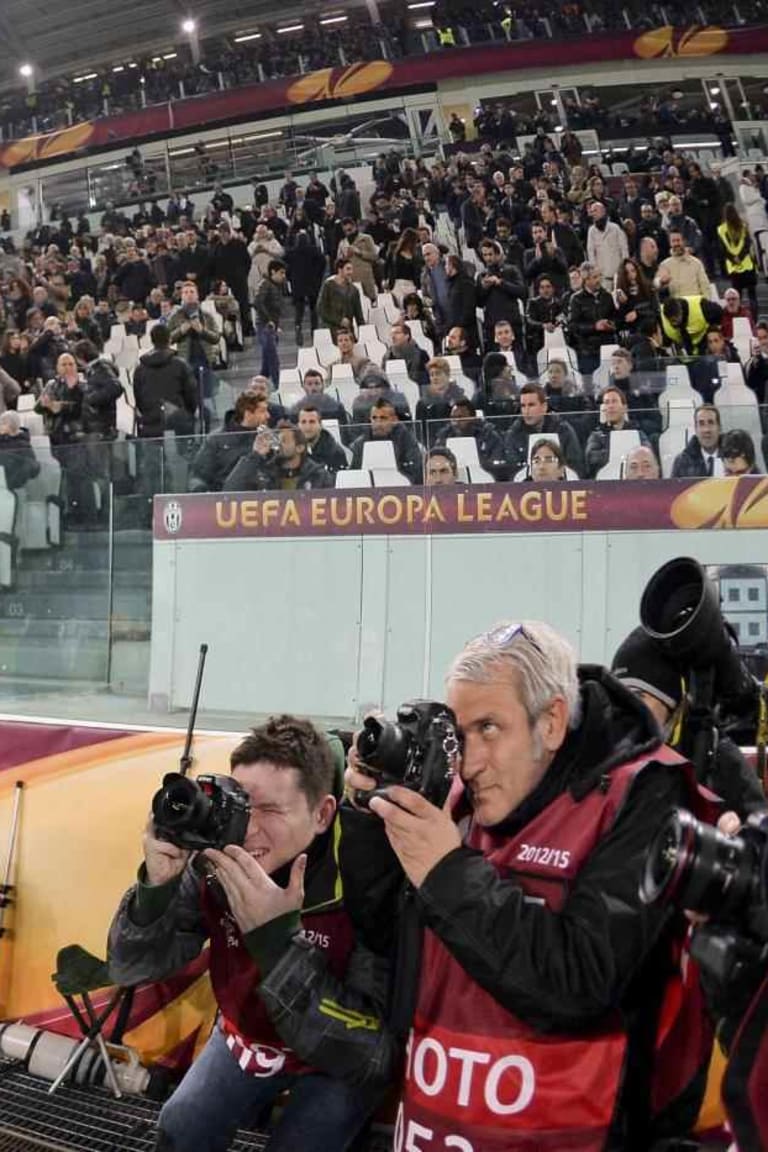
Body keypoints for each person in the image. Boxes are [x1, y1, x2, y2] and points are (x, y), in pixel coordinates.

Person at [343, 620, 711, 1151]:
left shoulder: (643, 793)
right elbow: (387, 941)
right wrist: (370, 824)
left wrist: (445, 869)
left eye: (490, 728)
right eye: (461, 731)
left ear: (553, 722)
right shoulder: (462, 791)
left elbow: (580, 981)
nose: (468, 762)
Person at [108, 715, 397, 1152]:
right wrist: (156, 889)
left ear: (322, 814)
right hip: (249, 1033)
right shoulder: (216, 854)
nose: (249, 829)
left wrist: (276, 943)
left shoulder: (364, 871)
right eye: (242, 804)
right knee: (182, 1126)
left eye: (272, 811)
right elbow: (131, 968)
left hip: (334, 1060)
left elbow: (372, 1055)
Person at [612, 627, 765, 820]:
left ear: (674, 704)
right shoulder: (601, 758)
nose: (628, 707)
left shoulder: (717, 757)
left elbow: (759, 833)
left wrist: (732, 840)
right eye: (619, 696)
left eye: (638, 696)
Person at [189, 391, 272, 492]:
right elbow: (198, 476)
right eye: (263, 411)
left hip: (264, 498)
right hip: (225, 500)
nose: (268, 415)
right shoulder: (216, 440)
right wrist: (204, 495)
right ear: (248, 414)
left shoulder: (267, 437)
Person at [223, 421, 333, 492]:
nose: (278, 444)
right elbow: (230, 491)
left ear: (300, 447)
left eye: (284, 440)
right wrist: (255, 454)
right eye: (277, 440)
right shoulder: (264, 472)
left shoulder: (318, 475)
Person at [503, 383, 583, 477]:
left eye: (531, 405)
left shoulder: (563, 430)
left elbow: (576, 467)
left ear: (544, 407)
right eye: (523, 406)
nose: (526, 411)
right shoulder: (514, 434)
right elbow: (511, 471)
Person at [133, 324, 197, 440]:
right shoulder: (181, 365)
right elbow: (191, 395)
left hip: (150, 422)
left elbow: (138, 399)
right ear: (169, 339)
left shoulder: (140, 369)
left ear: (152, 341)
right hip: (179, 422)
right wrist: (187, 413)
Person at [349, 396, 423, 484]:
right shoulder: (360, 444)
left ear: (395, 420)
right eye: (374, 418)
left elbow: (416, 471)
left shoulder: (407, 441)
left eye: (383, 418)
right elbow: (353, 474)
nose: (378, 423)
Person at [585, 386, 650, 477]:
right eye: (607, 402)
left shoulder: (638, 434)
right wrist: (620, 453)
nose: (610, 406)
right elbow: (591, 458)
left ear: (624, 408)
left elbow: (648, 455)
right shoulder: (596, 436)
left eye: (614, 401)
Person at [717, 203, 758, 316]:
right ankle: (754, 319)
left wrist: (733, 259)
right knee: (752, 296)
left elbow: (722, 249)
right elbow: (747, 243)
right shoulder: (743, 226)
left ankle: (739, 319)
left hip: (733, 267)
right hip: (747, 264)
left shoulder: (721, 229)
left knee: (737, 297)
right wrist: (740, 257)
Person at [254, 260, 286, 389]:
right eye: (281, 273)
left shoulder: (274, 286)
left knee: (266, 364)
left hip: (270, 327)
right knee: (273, 359)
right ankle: (278, 386)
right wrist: (269, 321)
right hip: (265, 327)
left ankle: (259, 387)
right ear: (273, 272)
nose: (284, 276)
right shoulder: (265, 284)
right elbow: (258, 302)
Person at [672, 404, 724, 478]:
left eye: (711, 422)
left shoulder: (732, 456)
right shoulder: (682, 461)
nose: (706, 429)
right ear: (695, 429)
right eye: (701, 424)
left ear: (719, 428)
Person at [317, 260, 364, 338]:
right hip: (330, 332)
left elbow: (359, 315)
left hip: (348, 333)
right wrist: (339, 320)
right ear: (340, 270)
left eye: (351, 269)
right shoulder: (328, 286)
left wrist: (364, 332)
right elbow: (321, 309)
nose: (351, 272)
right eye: (348, 269)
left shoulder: (354, 290)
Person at [295, 406, 347, 476]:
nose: (307, 427)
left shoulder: (336, 452)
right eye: (303, 422)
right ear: (298, 426)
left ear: (320, 425)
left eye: (312, 422)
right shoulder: (293, 451)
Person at [0, 410, 40, 489]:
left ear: (10, 425)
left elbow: (33, 468)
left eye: (2, 424)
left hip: (10, 485)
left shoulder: (22, 445)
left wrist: (15, 479)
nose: (0, 426)